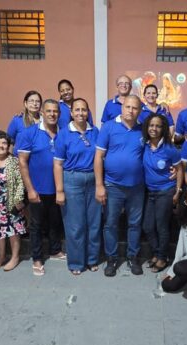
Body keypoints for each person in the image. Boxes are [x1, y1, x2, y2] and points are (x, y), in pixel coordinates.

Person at [95, 95, 145, 276]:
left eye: (135, 108)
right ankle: (111, 258)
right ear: (122, 107)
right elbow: (98, 157)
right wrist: (99, 185)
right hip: (112, 186)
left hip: (137, 187)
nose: (131, 111)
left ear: (139, 110)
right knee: (110, 224)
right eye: (128, 107)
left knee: (135, 224)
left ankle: (133, 257)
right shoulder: (108, 127)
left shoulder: (143, 129)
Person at [17, 99, 67, 276]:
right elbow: (22, 163)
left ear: (59, 114)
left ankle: (55, 250)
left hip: (58, 188)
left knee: (55, 222)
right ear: (42, 113)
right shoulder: (29, 133)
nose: (52, 114)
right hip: (37, 189)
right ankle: (37, 258)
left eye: (55, 111)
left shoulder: (65, 133)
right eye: (49, 111)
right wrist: (30, 189)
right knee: (37, 225)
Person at [53, 98, 102, 275]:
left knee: (94, 223)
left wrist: (100, 184)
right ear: (71, 113)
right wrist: (59, 190)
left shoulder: (95, 132)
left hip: (93, 180)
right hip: (71, 181)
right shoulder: (64, 134)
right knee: (75, 225)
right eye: (77, 110)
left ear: (88, 112)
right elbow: (58, 164)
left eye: (84, 110)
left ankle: (92, 259)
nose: (81, 113)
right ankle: (76, 262)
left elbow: (101, 157)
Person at [141, 114, 183, 273]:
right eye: (151, 125)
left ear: (163, 128)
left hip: (165, 192)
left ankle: (162, 257)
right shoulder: (143, 145)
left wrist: (177, 192)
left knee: (161, 226)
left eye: (158, 126)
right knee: (147, 226)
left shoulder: (169, 148)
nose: (154, 129)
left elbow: (179, 170)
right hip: (149, 192)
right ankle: (157, 253)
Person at [0, 131, 27, 272]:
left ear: (8, 146)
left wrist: (18, 200)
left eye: (4, 143)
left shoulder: (13, 161)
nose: (1, 145)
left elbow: (21, 182)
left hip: (9, 202)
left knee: (12, 231)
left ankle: (14, 257)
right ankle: (1, 256)